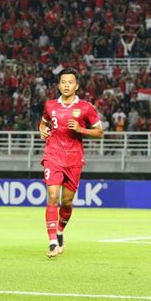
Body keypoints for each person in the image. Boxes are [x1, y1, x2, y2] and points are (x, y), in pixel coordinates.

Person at [39, 67, 104, 258]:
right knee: (52, 196)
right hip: (53, 156)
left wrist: (81, 129)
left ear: (77, 85)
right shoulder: (50, 105)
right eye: (63, 82)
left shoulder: (86, 107)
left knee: (66, 201)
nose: (66, 85)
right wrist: (42, 130)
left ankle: (59, 231)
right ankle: (51, 242)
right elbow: (43, 123)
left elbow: (100, 132)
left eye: (70, 82)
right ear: (59, 85)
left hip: (74, 159)